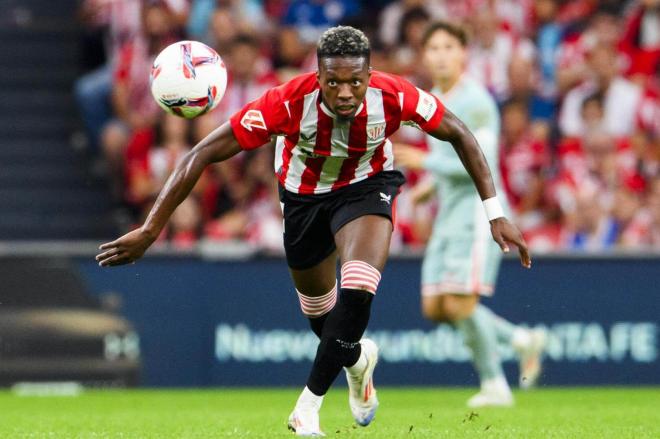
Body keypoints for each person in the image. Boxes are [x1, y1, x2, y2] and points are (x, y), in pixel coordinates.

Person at [96, 26, 530, 436]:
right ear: (317, 76)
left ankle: (307, 406)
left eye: (355, 83)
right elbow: (202, 153)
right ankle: (358, 361)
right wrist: (150, 230)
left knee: (359, 288)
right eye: (333, 82)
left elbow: (460, 133)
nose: (345, 93)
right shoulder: (285, 103)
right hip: (302, 202)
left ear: (369, 75)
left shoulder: (395, 94)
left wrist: (495, 212)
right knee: (323, 318)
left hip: (366, 188)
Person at [394, 22, 544, 408]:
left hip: (479, 215)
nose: (441, 55)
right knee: (436, 307)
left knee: (459, 303)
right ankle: (519, 340)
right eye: (433, 48)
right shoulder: (433, 99)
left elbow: (483, 162)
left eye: (448, 46)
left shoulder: (476, 101)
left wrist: (425, 162)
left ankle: (495, 384)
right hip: (450, 211)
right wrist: (431, 183)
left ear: (463, 53)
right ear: (424, 56)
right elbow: (450, 162)